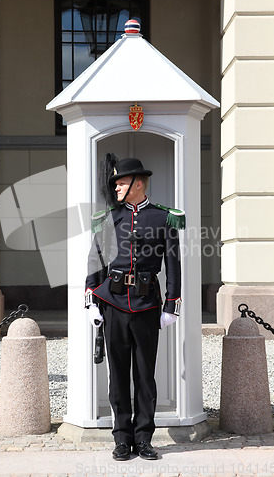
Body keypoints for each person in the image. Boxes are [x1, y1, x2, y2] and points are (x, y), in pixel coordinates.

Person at [85, 157, 185, 461]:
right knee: (117, 375)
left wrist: (172, 304)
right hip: (113, 302)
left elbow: (173, 263)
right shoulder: (107, 218)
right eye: (114, 182)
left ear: (137, 183)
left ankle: (144, 438)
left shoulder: (164, 217)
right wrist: (91, 299)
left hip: (145, 305)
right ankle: (122, 439)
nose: (115, 187)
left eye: (121, 182)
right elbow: (95, 260)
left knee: (144, 376)